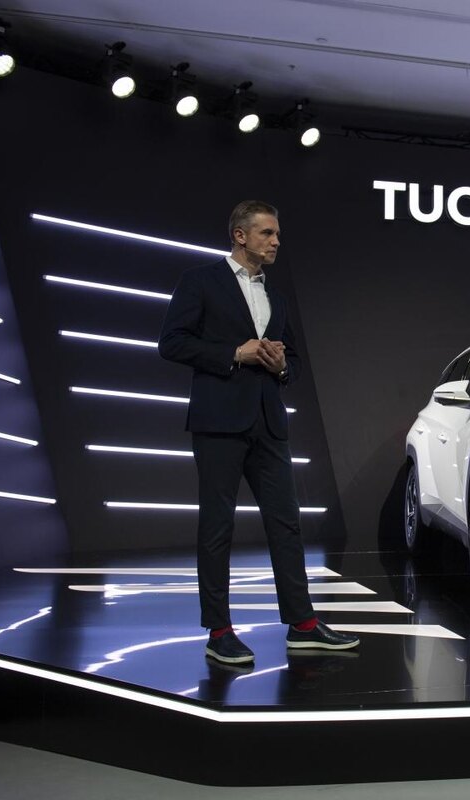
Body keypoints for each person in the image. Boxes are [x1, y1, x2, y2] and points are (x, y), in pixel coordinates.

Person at [159, 200, 359, 664]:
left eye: (277, 234)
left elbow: (295, 362)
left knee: (286, 523)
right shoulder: (200, 281)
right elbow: (171, 342)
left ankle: (303, 625)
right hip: (218, 422)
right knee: (217, 527)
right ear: (240, 235)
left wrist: (281, 366)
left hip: (269, 423)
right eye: (267, 233)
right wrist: (234, 353)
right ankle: (219, 632)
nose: (276, 242)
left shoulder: (278, 297)